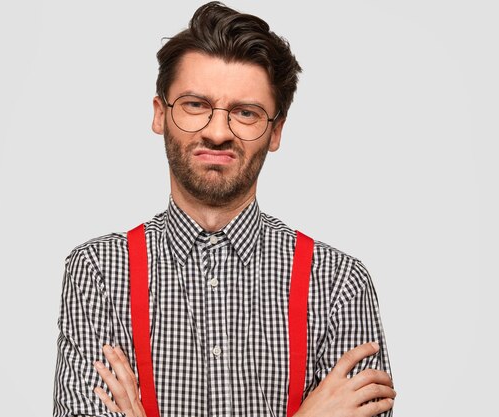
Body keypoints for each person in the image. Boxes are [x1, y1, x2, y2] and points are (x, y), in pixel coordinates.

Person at [53, 2, 395, 416]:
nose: (217, 132)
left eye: (245, 113)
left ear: (276, 131)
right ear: (161, 114)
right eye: (196, 104)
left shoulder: (338, 284)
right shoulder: (100, 272)